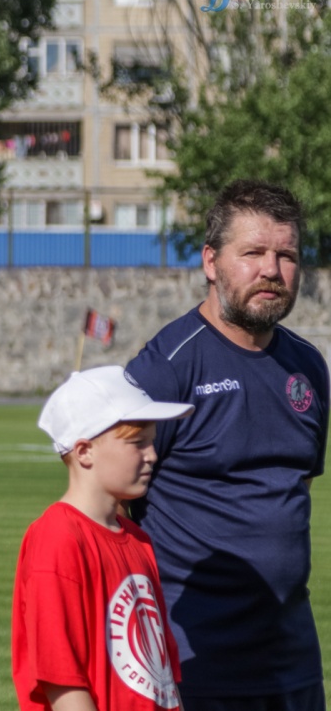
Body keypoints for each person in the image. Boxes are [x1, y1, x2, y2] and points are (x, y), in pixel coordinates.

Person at [125, 180, 329, 711]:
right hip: (196, 668)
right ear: (211, 262)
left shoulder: (309, 368)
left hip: (292, 666)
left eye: (287, 256)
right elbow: (112, 507)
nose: (272, 270)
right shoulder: (165, 370)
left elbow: (293, 495)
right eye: (253, 253)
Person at [12, 365, 193, 711]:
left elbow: (163, 676)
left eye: (152, 441)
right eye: (137, 443)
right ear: (84, 451)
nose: (152, 455)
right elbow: (62, 680)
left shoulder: (138, 540)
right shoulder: (58, 538)